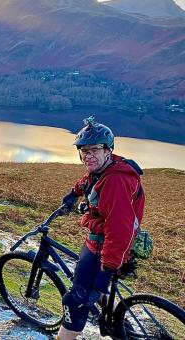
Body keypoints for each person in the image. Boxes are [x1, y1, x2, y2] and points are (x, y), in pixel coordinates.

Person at [56, 117, 145, 340]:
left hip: (105, 247)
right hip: (102, 243)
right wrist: (74, 193)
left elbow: (119, 231)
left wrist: (107, 270)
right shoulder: (106, 168)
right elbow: (88, 179)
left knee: (75, 300)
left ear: (108, 150)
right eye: (84, 151)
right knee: (96, 291)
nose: (88, 155)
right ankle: (117, 325)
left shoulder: (116, 181)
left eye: (95, 149)